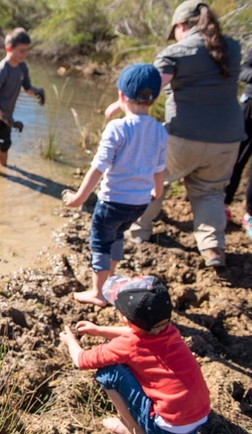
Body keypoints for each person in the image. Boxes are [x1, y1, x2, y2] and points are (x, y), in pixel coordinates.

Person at [106, 0, 245, 267]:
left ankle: (138, 231)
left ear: (182, 25)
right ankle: (213, 247)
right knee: (210, 191)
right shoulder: (233, 49)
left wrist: (120, 104)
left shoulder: (177, 52)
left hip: (184, 136)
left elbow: (150, 88)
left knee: (156, 179)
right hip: (228, 140)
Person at [63, 63, 167, 307]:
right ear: (155, 97)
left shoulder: (117, 128)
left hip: (112, 201)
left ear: (121, 96)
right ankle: (109, 280)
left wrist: (78, 198)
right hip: (139, 203)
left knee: (100, 242)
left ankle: (98, 293)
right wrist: (157, 192)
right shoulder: (160, 131)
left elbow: (98, 168)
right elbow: (159, 169)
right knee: (117, 236)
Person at [59, 275, 210, 434]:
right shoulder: (169, 330)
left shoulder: (128, 345)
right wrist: (99, 330)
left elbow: (81, 360)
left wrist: (70, 341)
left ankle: (134, 428)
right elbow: (135, 332)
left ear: (123, 317)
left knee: (108, 373)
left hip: (165, 429)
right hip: (200, 416)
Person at [0, 27, 45, 171]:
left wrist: (38, 92)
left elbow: (27, 89)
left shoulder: (22, 67)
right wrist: (4, 118)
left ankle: (3, 172)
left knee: (5, 144)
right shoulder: (1, 71)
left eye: (27, 50)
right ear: (9, 48)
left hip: (7, 114)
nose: (25, 54)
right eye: (22, 50)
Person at [224, 48, 252, 238]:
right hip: (250, 107)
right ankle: (222, 204)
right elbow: (243, 70)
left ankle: (250, 214)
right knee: (237, 157)